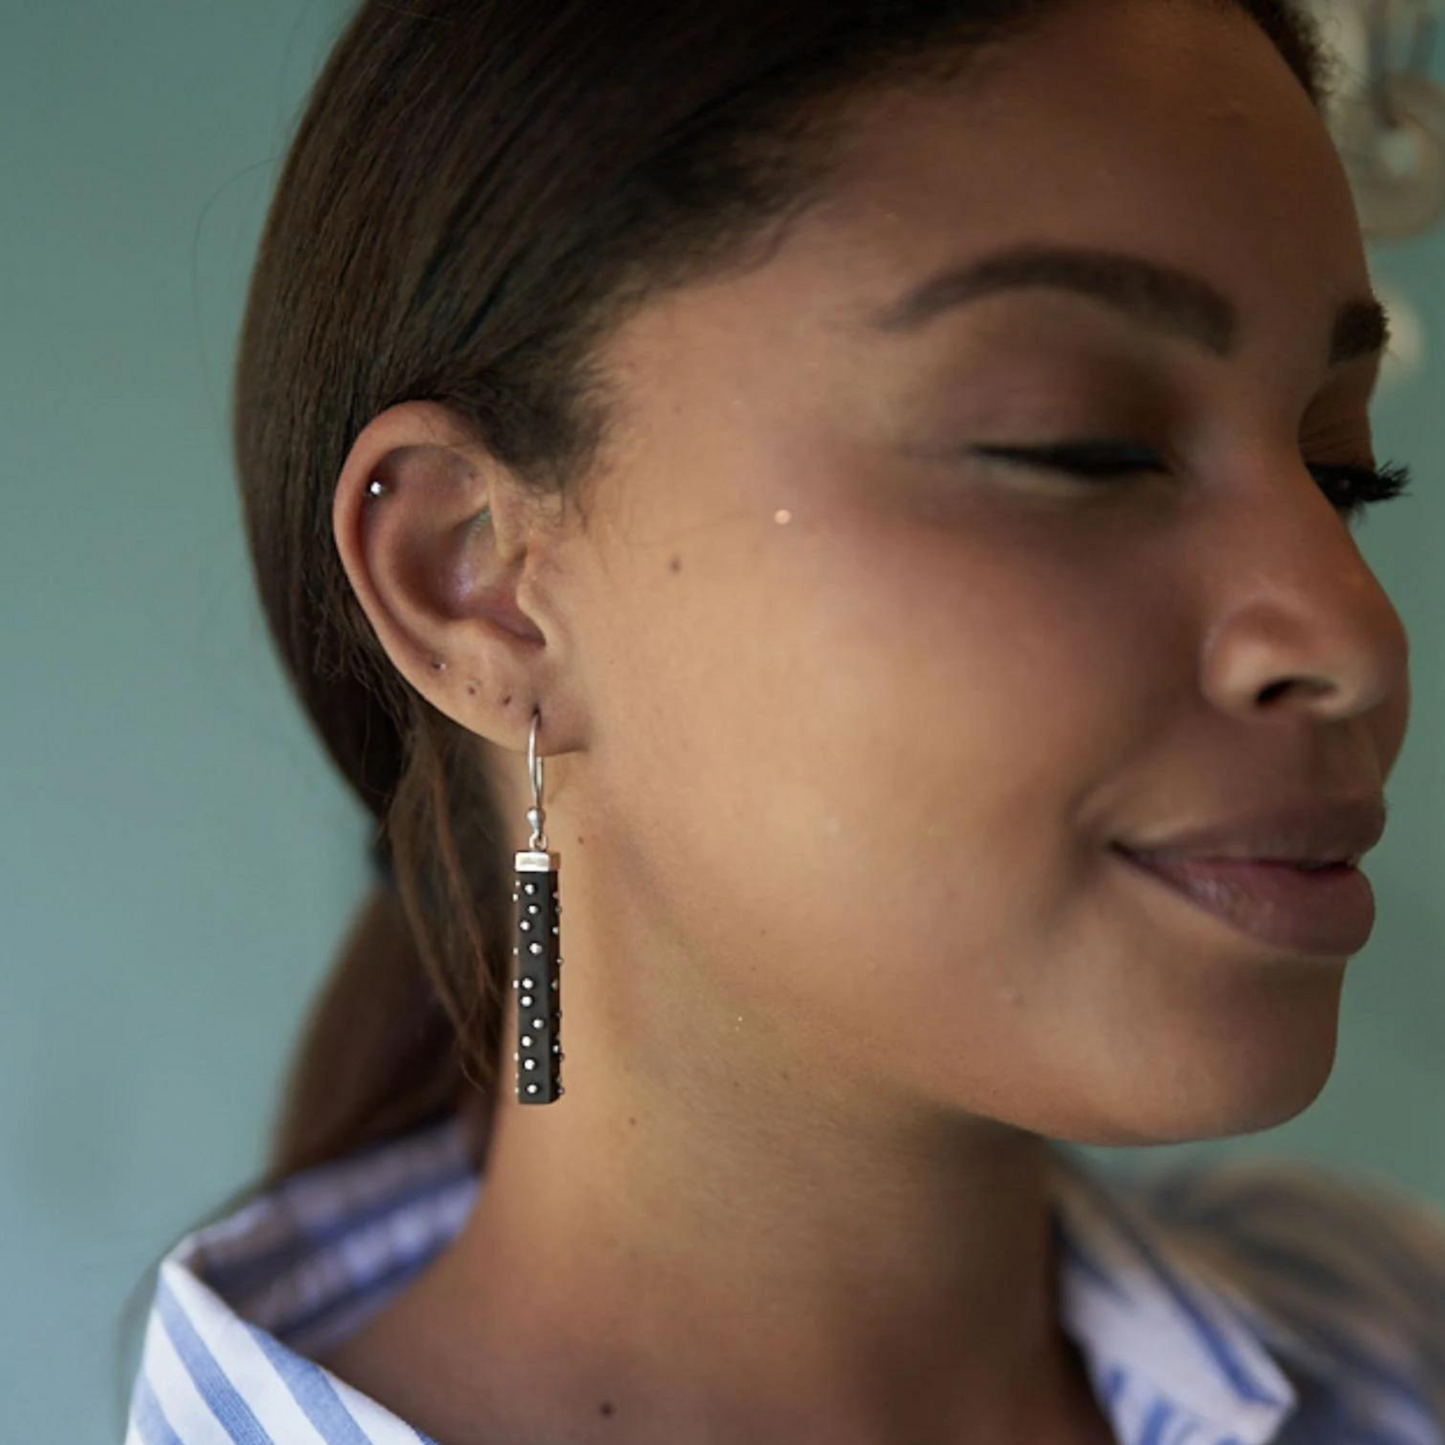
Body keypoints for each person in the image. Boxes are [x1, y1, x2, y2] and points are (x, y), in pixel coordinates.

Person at [119, 1, 1445, 1442]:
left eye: (1341, 470)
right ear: (480, 586)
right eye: (1080, 448)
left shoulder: (1394, 1326)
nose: (1352, 635)